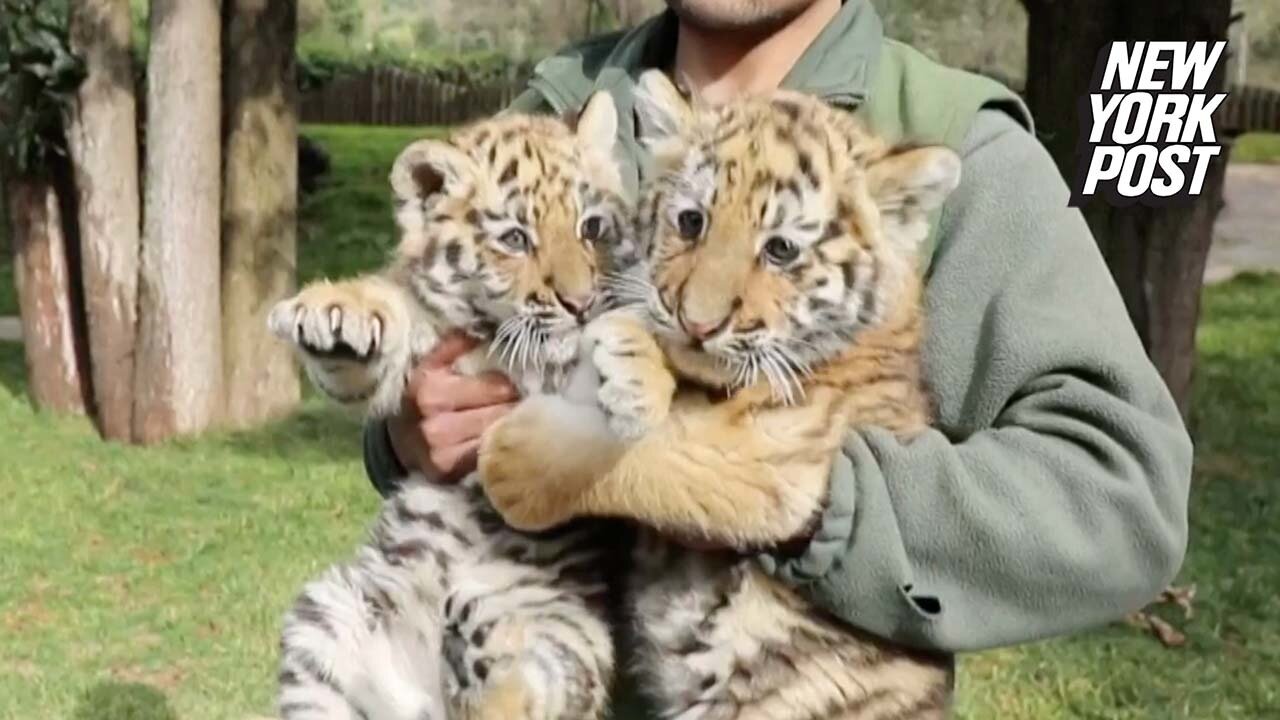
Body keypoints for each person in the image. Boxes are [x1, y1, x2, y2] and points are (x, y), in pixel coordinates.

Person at [364, 0, 1192, 713]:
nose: (705, 306)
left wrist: (809, 497)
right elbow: (444, 365)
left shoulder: (951, 143)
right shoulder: (564, 108)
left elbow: (1120, 492)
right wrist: (408, 427)